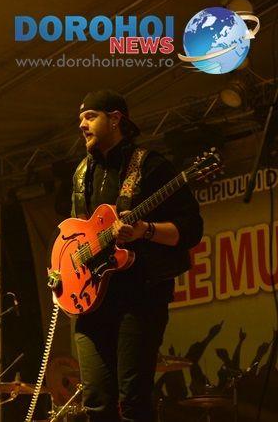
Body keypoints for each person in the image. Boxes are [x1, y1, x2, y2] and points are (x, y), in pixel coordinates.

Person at [63, 90, 203, 422]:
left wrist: (145, 230)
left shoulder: (151, 166)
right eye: (80, 118)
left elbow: (191, 229)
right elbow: (75, 232)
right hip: (92, 300)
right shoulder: (81, 173)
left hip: (140, 296)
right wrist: (64, 266)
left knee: (133, 402)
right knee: (96, 402)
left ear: (115, 119)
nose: (82, 124)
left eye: (90, 116)